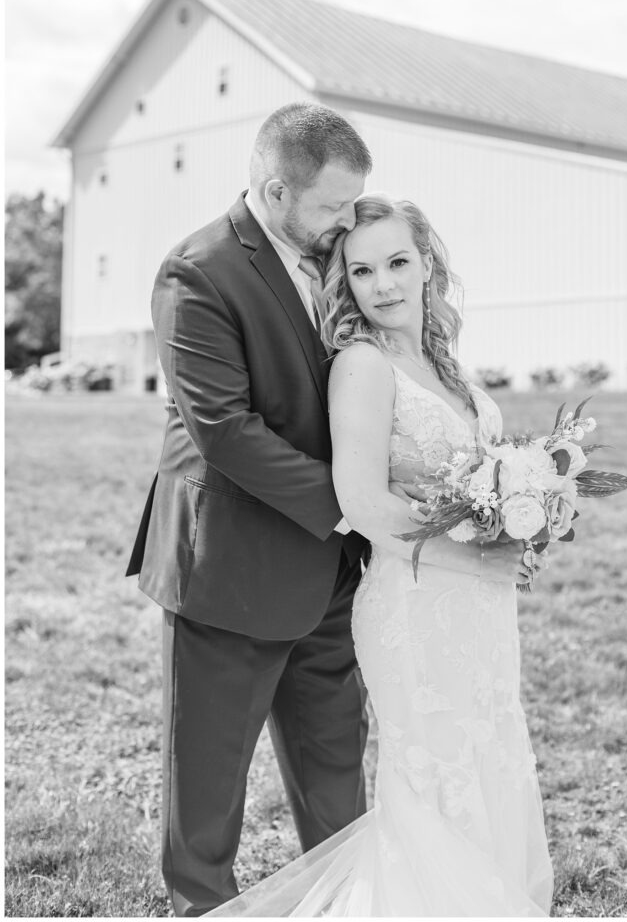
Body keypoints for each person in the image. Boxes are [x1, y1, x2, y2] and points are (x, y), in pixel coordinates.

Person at [207, 195, 553, 917]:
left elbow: (473, 485)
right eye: (362, 271)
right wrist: (486, 556)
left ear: (428, 263)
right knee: (436, 776)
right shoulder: (362, 365)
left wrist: (522, 520)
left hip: (481, 613)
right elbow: (363, 505)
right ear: (346, 284)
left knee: (491, 752)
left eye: (398, 262)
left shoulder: (441, 360)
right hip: (415, 607)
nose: (384, 283)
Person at [126, 104, 425, 916]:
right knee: (209, 783)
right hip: (231, 566)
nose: (346, 222)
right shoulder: (197, 270)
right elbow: (223, 430)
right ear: (273, 188)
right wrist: (355, 506)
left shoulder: (337, 259)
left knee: (336, 763)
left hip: (332, 572)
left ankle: (347, 902)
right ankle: (202, 909)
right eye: (331, 206)